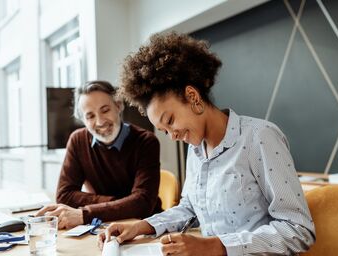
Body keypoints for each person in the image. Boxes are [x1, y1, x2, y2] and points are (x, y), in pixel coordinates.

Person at [98, 32, 315, 255]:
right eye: (164, 131)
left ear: (192, 96)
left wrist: (216, 245)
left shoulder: (259, 137)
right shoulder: (196, 149)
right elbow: (189, 208)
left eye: (170, 121)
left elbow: (297, 230)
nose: (172, 136)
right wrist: (140, 226)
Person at [36, 80, 162, 229]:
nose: (100, 121)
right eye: (90, 116)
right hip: (100, 225)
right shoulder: (77, 140)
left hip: (142, 225)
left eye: (105, 110)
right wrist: (124, 202)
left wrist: (85, 214)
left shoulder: (146, 141)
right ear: (83, 120)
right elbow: (65, 196)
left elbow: (143, 203)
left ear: (119, 106)